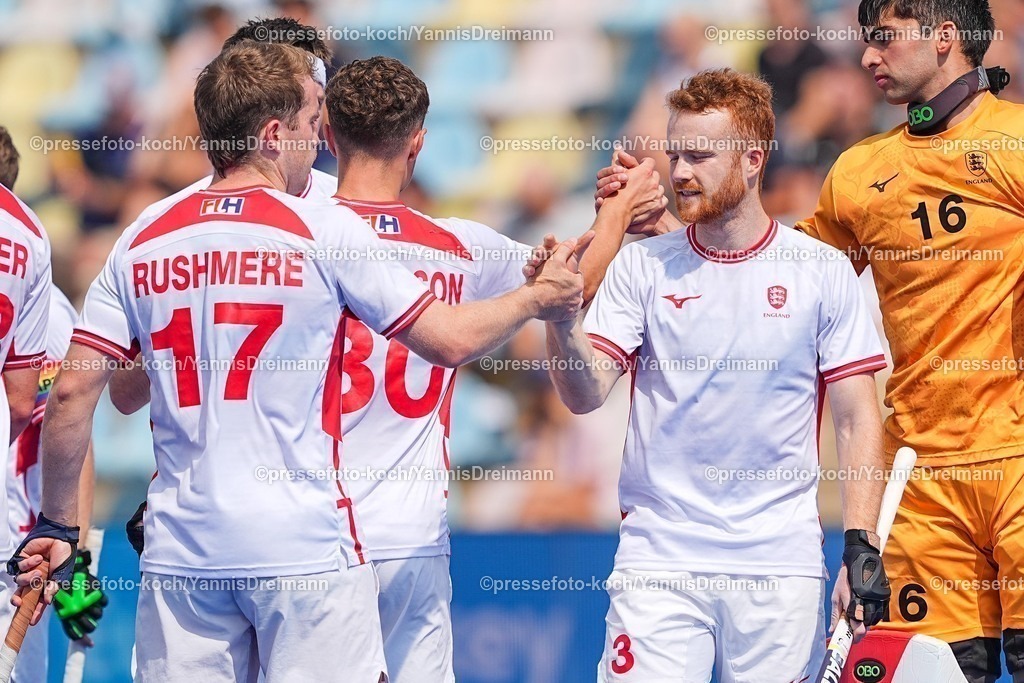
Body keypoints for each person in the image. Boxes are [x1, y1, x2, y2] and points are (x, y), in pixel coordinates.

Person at [6, 41, 585, 682]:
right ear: (273, 134)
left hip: (183, 553)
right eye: (311, 123)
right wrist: (534, 299)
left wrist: (58, 523)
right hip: (303, 546)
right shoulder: (321, 228)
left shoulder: (142, 235)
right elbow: (447, 341)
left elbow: (75, 395)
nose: (318, 141)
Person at [597, 1, 1022, 679]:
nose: (867, 56)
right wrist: (670, 230)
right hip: (918, 481)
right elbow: (774, 277)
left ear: (945, 37)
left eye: (884, 39)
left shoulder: (1014, 141)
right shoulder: (859, 172)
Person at [315, 56, 663, 682]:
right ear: (418, 141)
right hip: (410, 536)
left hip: (311, 536)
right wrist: (619, 209)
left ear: (328, 135)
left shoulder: (294, 242)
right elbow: (569, 282)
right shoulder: (457, 247)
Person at [547, 69, 891, 681]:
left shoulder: (821, 271)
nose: (680, 172)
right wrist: (561, 317)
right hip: (659, 562)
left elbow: (856, 416)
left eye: (700, 156)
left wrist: (860, 545)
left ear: (753, 159)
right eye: (675, 154)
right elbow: (584, 393)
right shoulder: (641, 267)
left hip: (779, 565)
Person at [0, 129, 105, 681]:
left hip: (17, 559)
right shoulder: (29, 261)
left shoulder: (50, 313)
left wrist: (75, 563)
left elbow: (65, 427)